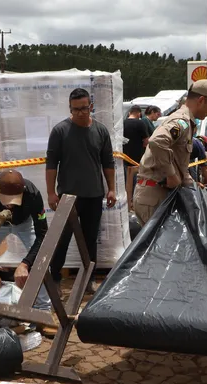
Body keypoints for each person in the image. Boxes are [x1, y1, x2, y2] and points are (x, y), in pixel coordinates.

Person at [46, 88, 117, 288]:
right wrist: (51, 193)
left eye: (84, 108)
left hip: (94, 195)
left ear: (90, 107)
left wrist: (111, 189)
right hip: (68, 197)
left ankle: (89, 280)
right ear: (70, 108)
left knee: (89, 240)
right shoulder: (60, 131)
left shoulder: (101, 131)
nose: (79, 113)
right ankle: (56, 279)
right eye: (75, 109)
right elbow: (51, 164)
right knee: (62, 239)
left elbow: (108, 163)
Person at [132, 79, 207, 224]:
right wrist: (172, 175)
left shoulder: (188, 122)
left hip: (159, 195)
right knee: (158, 246)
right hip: (154, 195)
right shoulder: (182, 120)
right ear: (201, 100)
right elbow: (157, 141)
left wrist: (189, 182)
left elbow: (178, 160)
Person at [0, 170, 51, 311]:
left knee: (42, 260)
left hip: (24, 224)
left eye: (14, 200)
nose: (10, 205)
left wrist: (25, 264)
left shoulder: (33, 194)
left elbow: (42, 236)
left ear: (23, 190)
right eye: (6, 200)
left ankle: (44, 308)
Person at [123, 105, 150, 201]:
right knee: (137, 178)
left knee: (126, 178)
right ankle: (135, 199)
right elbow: (146, 141)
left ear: (130, 112)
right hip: (137, 156)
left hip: (124, 156)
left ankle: (128, 198)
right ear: (138, 113)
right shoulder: (140, 123)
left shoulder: (123, 123)